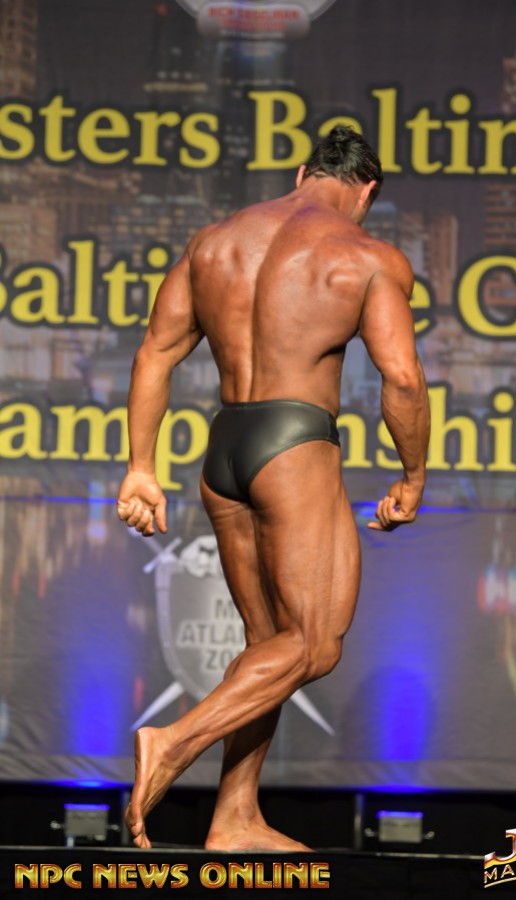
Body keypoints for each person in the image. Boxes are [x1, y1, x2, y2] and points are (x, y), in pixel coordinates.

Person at [116, 125, 430, 851]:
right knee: (315, 644)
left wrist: (141, 467)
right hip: (293, 445)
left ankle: (234, 817)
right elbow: (403, 379)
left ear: (301, 174)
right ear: (367, 191)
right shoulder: (367, 256)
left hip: (225, 448)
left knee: (268, 646)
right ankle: (172, 743)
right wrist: (413, 475)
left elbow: (155, 353)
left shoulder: (214, 242)